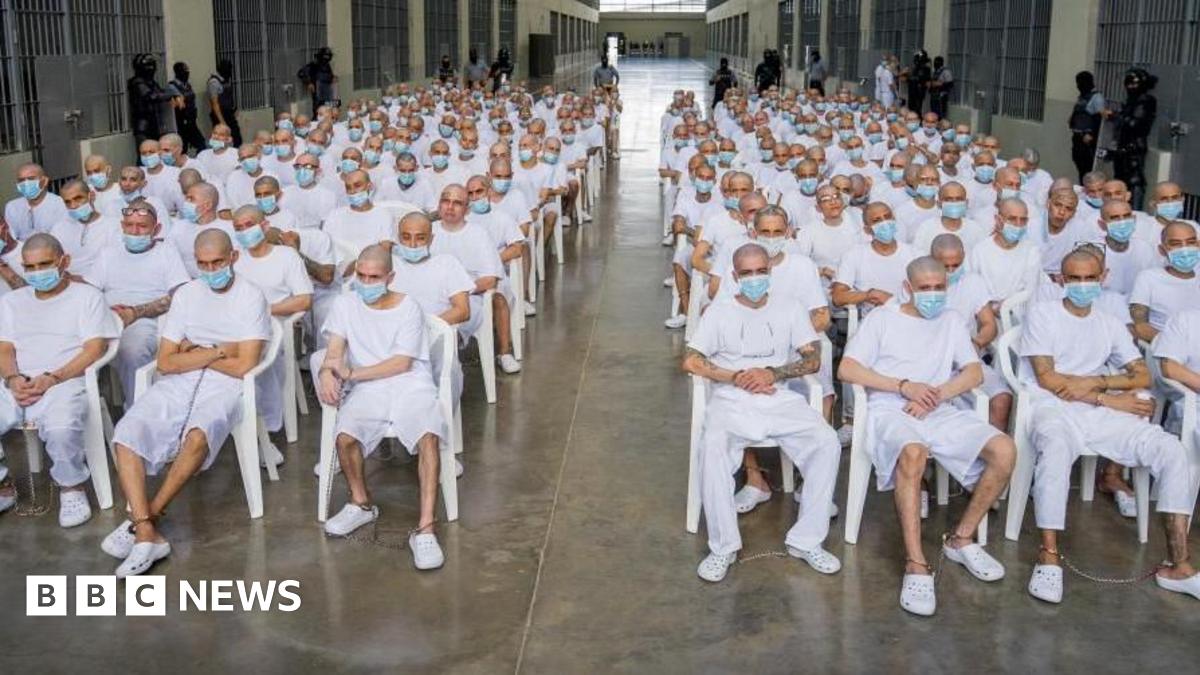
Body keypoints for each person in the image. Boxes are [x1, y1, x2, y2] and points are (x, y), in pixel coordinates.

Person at [1019, 247, 1200, 604]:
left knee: (1172, 450)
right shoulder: (1043, 314)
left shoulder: (1110, 324)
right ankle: (1049, 555)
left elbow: (1142, 373)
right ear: (1061, 280)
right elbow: (1048, 379)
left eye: (1090, 278)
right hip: (1052, 409)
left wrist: (1098, 384)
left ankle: (1178, 565)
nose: (1082, 285)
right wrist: (1109, 395)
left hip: (1101, 412)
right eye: (1074, 278)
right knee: (1055, 449)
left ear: (1103, 279)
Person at [839, 256, 1016, 616]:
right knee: (914, 451)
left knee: (1005, 449)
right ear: (908, 288)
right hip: (891, 409)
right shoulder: (883, 319)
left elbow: (973, 373)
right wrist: (904, 386)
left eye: (940, 288)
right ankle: (916, 561)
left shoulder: (950, 321)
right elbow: (847, 368)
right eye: (925, 289)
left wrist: (937, 395)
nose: (933, 295)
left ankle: (961, 538)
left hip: (938, 407)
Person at [101, 229, 270, 577]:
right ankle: (148, 531)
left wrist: (200, 352)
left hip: (228, 385)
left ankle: (145, 518)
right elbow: (165, 362)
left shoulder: (251, 297)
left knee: (197, 435)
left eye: (218, 262)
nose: (211, 270)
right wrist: (224, 348)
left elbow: (244, 365)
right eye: (203, 264)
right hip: (179, 380)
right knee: (126, 432)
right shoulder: (188, 295)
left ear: (233, 258)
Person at [684, 242, 842, 583]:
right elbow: (692, 359)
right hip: (731, 398)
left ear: (770, 272)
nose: (755, 278)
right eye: (747, 273)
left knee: (826, 442)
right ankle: (723, 546)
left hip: (778, 396)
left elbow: (812, 358)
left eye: (761, 272)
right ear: (734, 276)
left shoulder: (790, 307)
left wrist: (772, 373)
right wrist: (735, 376)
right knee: (712, 448)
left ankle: (807, 540)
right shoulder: (720, 311)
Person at [317, 245, 448, 570]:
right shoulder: (346, 304)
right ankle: (361, 503)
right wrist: (326, 370)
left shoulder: (408, 307)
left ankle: (426, 528)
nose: (365, 282)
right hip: (367, 388)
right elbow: (335, 349)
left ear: (390, 277)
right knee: (345, 435)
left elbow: (402, 363)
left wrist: (351, 373)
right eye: (361, 275)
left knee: (427, 436)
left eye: (374, 277)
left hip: (409, 383)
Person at [0, 233, 119, 524]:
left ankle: (71, 487)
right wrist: (13, 378)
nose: (37, 273)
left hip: (65, 379)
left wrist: (53, 378)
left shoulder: (87, 297)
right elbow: (5, 348)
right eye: (30, 268)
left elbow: (95, 349)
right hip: (19, 381)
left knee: (61, 427)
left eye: (45, 264)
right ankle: (3, 486)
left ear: (64, 261)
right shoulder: (12, 301)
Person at [84, 199, 188, 407]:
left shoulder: (166, 253)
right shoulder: (108, 254)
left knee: (131, 352)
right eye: (129, 225)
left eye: (142, 226)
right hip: (105, 317)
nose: (135, 231)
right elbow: (89, 290)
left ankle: (136, 411)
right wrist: (103, 311)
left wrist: (135, 313)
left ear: (156, 229)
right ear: (122, 226)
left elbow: (181, 295)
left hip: (146, 321)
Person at [230, 205, 313, 444]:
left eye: (249, 225)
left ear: (264, 225)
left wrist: (264, 311)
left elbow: (304, 299)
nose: (245, 231)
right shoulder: (234, 260)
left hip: (276, 323)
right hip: (237, 325)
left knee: (257, 350)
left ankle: (266, 427)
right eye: (238, 228)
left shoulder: (286, 256)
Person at [1129, 220, 1200, 342]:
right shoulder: (1149, 278)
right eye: (1176, 244)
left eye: (1190, 242)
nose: (1184, 249)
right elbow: (1140, 326)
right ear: (1162, 250)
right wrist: (1174, 346)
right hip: (1164, 350)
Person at [50, 180, 121, 277]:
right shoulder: (59, 228)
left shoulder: (113, 226)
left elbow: (115, 263)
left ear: (91, 196)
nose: (73, 206)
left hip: (100, 283)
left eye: (78, 198)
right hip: (65, 282)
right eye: (68, 202)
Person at [1113, 68, 1157, 210]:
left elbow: (1136, 124)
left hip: (1134, 147)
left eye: (1134, 84)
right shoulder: (1131, 101)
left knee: (1134, 180)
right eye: (1128, 84)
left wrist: (1117, 116)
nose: (1130, 87)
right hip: (1123, 146)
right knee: (1120, 179)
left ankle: (1135, 212)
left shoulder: (1146, 101)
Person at [5, 163, 67, 240]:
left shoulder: (59, 204)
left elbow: (62, 237)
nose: (26, 183)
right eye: (21, 180)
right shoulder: (12, 207)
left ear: (44, 181)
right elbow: (11, 238)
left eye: (31, 179)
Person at [128, 53, 174, 147]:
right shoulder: (137, 82)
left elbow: (160, 92)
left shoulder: (151, 82)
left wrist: (173, 95)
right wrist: (169, 95)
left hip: (154, 123)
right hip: (143, 124)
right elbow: (151, 96)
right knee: (146, 151)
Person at [1069, 71, 1106, 184]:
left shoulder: (1096, 98)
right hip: (1078, 136)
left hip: (1087, 140)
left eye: (1081, 83)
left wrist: (1091, 134)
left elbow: (1099, 119)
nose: (1078, 86)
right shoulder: (1082, 96)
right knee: (1080, 166)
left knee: (1088, 169)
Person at [166, 62, 206, 154]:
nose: (187, 74)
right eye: (184, 72)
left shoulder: (187, 85)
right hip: (180, 122)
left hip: (191, 121)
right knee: (183, 148)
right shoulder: (172, 86)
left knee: (201, 144)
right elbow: (180, 103)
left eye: (187, 72)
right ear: (177, 72)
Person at [208, 59, 242, 147]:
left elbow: (229, 97)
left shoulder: (225, 79)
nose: (230, 71)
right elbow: (214, 104)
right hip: (220, 115)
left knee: (236, 138)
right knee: (221, 140)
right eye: (228, 69)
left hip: (229, 114)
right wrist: (222, 121)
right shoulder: (214, 82)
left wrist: (234, 110)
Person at [300, 47, 337, 115]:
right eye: (325, 56)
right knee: (319, 107)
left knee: (330, 106)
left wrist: (332, 77)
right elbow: (301, 73)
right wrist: (309, 83)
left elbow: (329, 74)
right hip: (318, 89)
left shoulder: (327, 65)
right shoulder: (314, 64)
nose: (327, 58)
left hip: (328, 88)